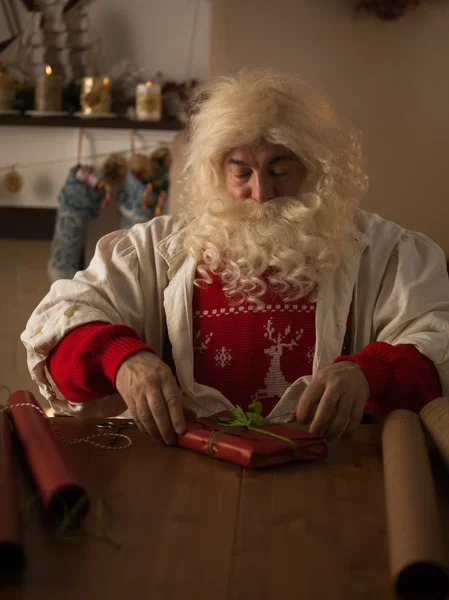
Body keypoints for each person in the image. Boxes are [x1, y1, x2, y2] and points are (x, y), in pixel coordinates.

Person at [21, 69, 449, 447]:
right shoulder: (149, 250)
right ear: (215, 170)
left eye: (280, 169)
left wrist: (370, 372)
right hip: (181, 478)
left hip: (337, 475)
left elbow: (439, 346)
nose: (260, 193)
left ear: (316, 168)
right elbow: (60, 327)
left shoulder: (389, 252)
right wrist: (122, 359)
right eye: (241, 170)